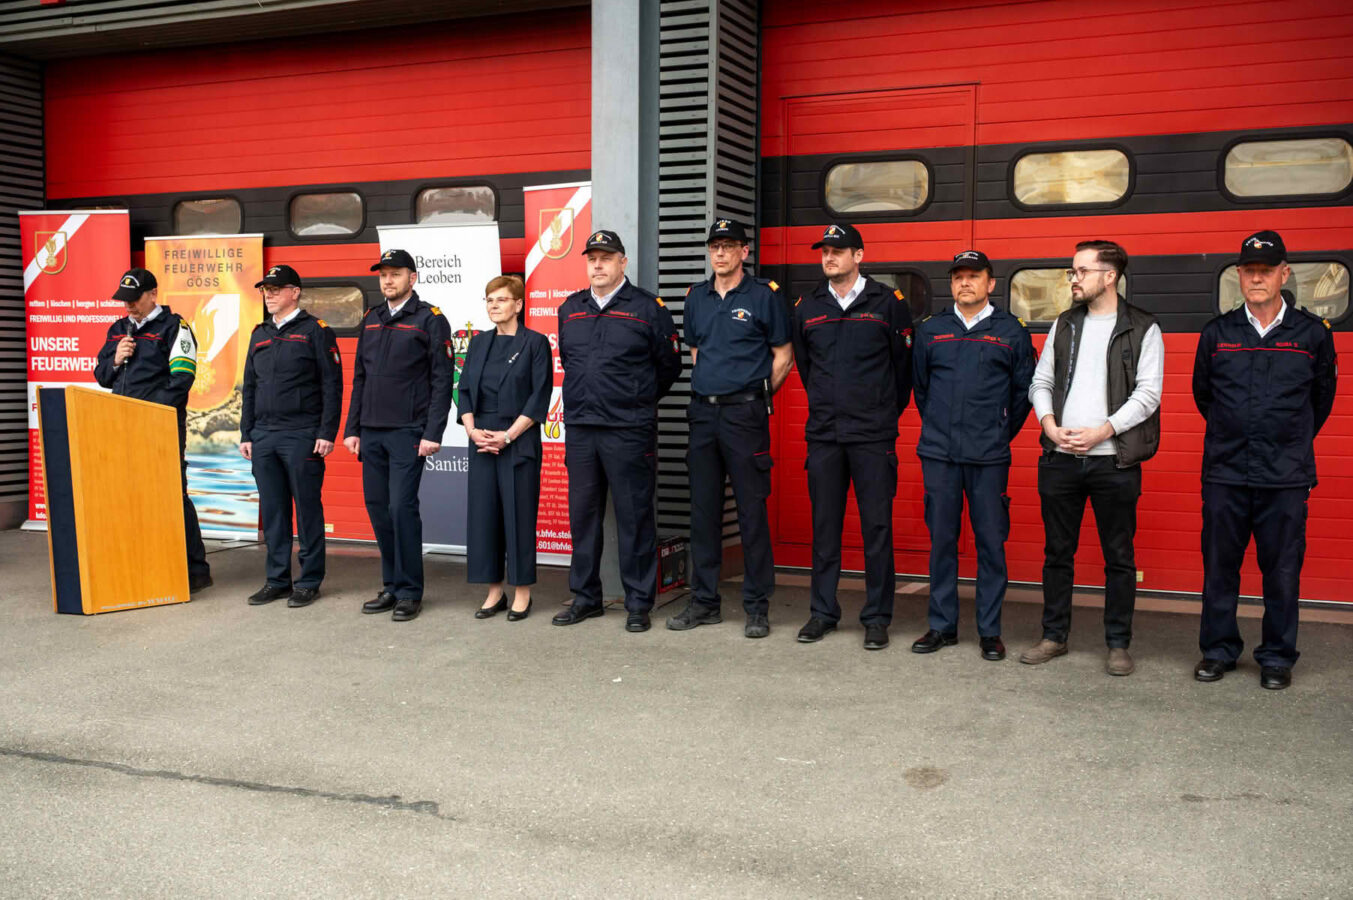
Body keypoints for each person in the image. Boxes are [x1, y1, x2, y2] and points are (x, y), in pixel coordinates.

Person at [1191, 230, 1337, 690]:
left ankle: (1276, 657)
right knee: (1219, 567)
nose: (1257, 278)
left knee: (1281, 570)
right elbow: (1204, 397)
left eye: (1267, 270)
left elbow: (1322, 400)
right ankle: (1218, 651)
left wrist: (1288, 441)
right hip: (1226, 472)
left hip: (1285, 476)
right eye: (1249, 271)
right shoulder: (1218, 333)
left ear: (1283, 274)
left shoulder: (1311, 334)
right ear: (1239, 275)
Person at [1022, 240, 1163, 676]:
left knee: (1118, 556)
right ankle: (1054, 636)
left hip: (1114, 462)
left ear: (1109, 276)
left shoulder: (1143, 327)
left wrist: (1104, 430)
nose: (1074, 279)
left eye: (1081, 271)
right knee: (1057, 553)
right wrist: (1048, 424)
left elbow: (1148, 394)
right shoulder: (1065, 324)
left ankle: (1118, 644)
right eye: (1072, 271)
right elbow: (1040, 380)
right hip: (1060, 459)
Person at [667, 219, 792, 639]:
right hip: (704, 416)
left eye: (728, 246)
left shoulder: (764, 296)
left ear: (744, 251)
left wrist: (756, 396)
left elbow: (783, 355)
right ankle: (704, 602)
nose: (720, 253)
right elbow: (699, 351)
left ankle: (757, 606)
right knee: (703, 513)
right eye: (714, 247)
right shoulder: (696, 297)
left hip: (745, 417)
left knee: (751, 512)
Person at [790, 223, 913, 650]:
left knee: (876, 528)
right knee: (825, 527)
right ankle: (822, 613)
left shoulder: (887, 302)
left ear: (858, 255)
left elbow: (903, 370)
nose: (829, 257)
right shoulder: (808, 305)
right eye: (824, 251)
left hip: (872, 436)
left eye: (838, 251)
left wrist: (879, 412)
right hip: (824, 435)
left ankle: (877, 617)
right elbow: (806, 369)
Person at [553, 230, 682, 632]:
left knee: (634, 516)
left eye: (606, 258)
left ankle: (638, 602)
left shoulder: (647, 308)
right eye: (592, 258)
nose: (598, 264)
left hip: (629, 429)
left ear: (623, 263)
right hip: (582, 430)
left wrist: (636, 400)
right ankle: (586, 597)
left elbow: (669, 368)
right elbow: (571, 361)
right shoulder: (570, 308)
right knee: (583, 517)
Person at [910, 250, 1035, 661]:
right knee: (942, 541)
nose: (965, 283)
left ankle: (989, 631)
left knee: (990, 543)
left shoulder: (1012, 331)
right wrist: (942, 430)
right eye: (958, 277)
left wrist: (998, 431)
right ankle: (941, 626)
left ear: (990, 283)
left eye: (973, 276)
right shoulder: (932, 330)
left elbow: (1023, 395)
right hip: (940, 455)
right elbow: (922, 390)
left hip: (988, 456)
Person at [342, 249, 454, 623]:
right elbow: (360, 377)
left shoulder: (430, 320)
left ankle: (410, 591)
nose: (388, 280)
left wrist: (432, 432)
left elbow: (442, 381)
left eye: (395, 274)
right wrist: (352, 428)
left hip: (408, 431)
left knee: (401, 509)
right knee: (378, 509)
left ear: (413, 278)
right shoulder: (371, 320)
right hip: (371, 432)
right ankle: (391, 585)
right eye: (383, 274)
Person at [94, 268, 212, 592]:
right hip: (121, 426)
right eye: (124, 300)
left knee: (172, 496)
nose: (128, 306)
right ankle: (143, 561)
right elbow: (102, 376)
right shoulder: (118, 330)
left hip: (160, 425)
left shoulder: (175, 327)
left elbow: (182, 379)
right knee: (130, 496)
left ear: (152, 295)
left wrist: (149, 413)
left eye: (134, 300)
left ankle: (195, 570)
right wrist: (115, 360)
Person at [239, 264, 342, 609]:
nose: (268, 295)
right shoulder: (259, 333)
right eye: (265, 290)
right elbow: (249, 387)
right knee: (274, 510)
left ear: (294, 292)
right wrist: (246, 433)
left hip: (301, 434)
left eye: (276, 289)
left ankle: (309, 580)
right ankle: (277, 580)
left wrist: (327, 432)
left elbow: (332, 384)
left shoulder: (316, 331)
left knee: (307, 509)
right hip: (264, 435)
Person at [457, 275, 552, 621]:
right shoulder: (479, 343)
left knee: (518, 515)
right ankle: (493, 590)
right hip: (481, 438)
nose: (493, 306)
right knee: (484, 517)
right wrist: (471, 430)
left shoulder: (535, 343)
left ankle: (522, 591)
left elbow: (538, 395)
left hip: (518, 440)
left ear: (518, 305)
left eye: (500, 300)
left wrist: (508, 435)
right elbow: (464, 389)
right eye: (489, 300)